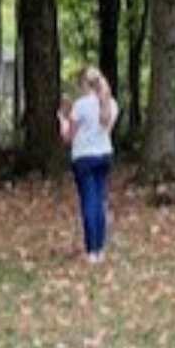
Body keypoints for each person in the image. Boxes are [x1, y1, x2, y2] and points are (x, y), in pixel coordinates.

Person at [59, 68, 118, 265]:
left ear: (84, 84)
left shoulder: (80, 106)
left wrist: (62, 121)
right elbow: (106, 130)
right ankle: (100, 248)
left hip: (84, 157)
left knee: (88, 201)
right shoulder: (111, 104)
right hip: (104, 155)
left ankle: (91, 249)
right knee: (100, 200)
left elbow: (69, 137)